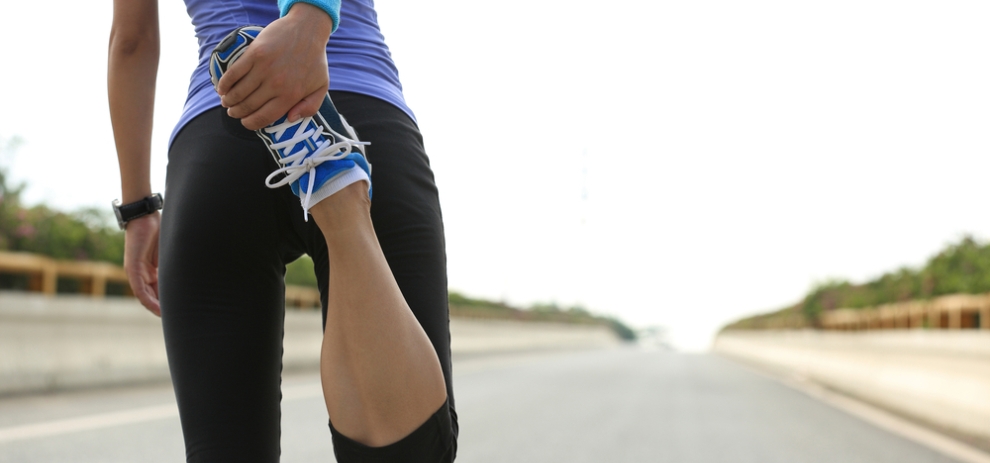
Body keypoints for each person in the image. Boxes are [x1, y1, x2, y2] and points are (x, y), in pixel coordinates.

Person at [108, 0, 458, 461]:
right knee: (408, 450)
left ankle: (330, 186)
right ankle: (336, 193)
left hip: (219, 132)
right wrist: (308, 21)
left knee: (225, 451)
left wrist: (138, 211)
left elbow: (131, 42)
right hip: (351, 109)